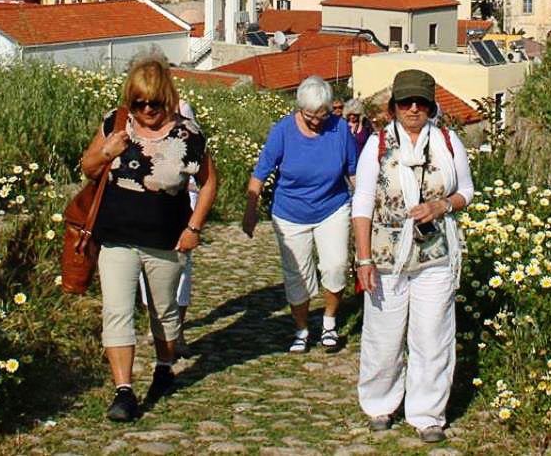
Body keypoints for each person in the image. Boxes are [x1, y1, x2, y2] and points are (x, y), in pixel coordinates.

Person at [81, 56, 218, 422]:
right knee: (117, 312)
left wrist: (194, 229)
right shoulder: (115, 123)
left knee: (164, 313)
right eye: (139, 102)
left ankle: (163, 364)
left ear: (166, 98)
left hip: (166, 240)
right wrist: (107, 150)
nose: (145, 110)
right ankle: (123, 391)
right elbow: (88, 167)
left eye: (153, 103)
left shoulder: (188, 135)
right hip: (117, 237)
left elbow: (209, 183)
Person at [350, 69, 474, 443]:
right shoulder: (378, 146)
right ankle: (380, 404)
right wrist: (364, 258)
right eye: (406, 102)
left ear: (431, 106)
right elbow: (363, 203)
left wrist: (441, 207)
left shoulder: (448, 143)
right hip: (387, 256)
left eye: (421, 102)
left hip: (435, 253)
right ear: (394, 107)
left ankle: (427, 413)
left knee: (433, 334)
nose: (414, 109)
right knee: (383, 335)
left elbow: (467, 191)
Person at [242, 76, 358, 354]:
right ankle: (302, 328)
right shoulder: (283, 131)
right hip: (290, 213)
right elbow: (261, 172)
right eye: (310, 116)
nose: (317, 122)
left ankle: (329, 321)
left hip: (332, 207)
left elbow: (352, 173)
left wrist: (366, 209)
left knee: (336, 265)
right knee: (298, 275)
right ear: (300, 110)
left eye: (323, 115)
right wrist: (250, 210)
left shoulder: (340, 129)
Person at [138, 98, 200, 357]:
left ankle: (178, 330)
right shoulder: (138, 109)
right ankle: (155, 325)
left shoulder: (182, 109)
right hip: (145, 193)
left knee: (180, 264)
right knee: (144, 263)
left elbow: (197, 156)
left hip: (182, 192)